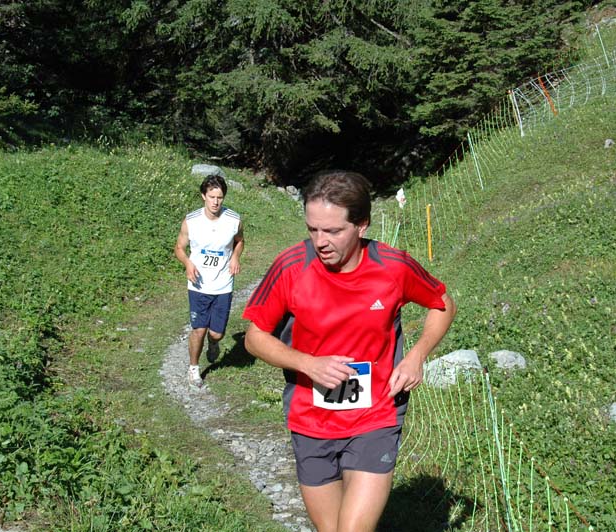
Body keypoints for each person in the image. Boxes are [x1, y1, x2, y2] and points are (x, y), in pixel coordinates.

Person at [242, 170, 456, 532]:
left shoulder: (392, 267)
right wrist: (308, 364)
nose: (320, 241)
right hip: (311, 418)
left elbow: (443, 304)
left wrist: (417, 356)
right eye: (312, 229)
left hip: (376, 415)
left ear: (362, 225)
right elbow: (254, 338)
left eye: (333, 231)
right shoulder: (291, 266)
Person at [175, 172, 244, 387]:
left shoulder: (233, 220)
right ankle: (194, 369)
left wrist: (235, 257)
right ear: (203, 196)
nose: (215, 202)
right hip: (198, 283)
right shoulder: (191, 221)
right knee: (199, 329)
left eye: (220, 197)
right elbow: (179, 248)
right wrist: (188, 263)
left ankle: (213, 344)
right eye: (212, 197)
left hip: (223, 283)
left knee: (216, 333)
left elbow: (240, 241)